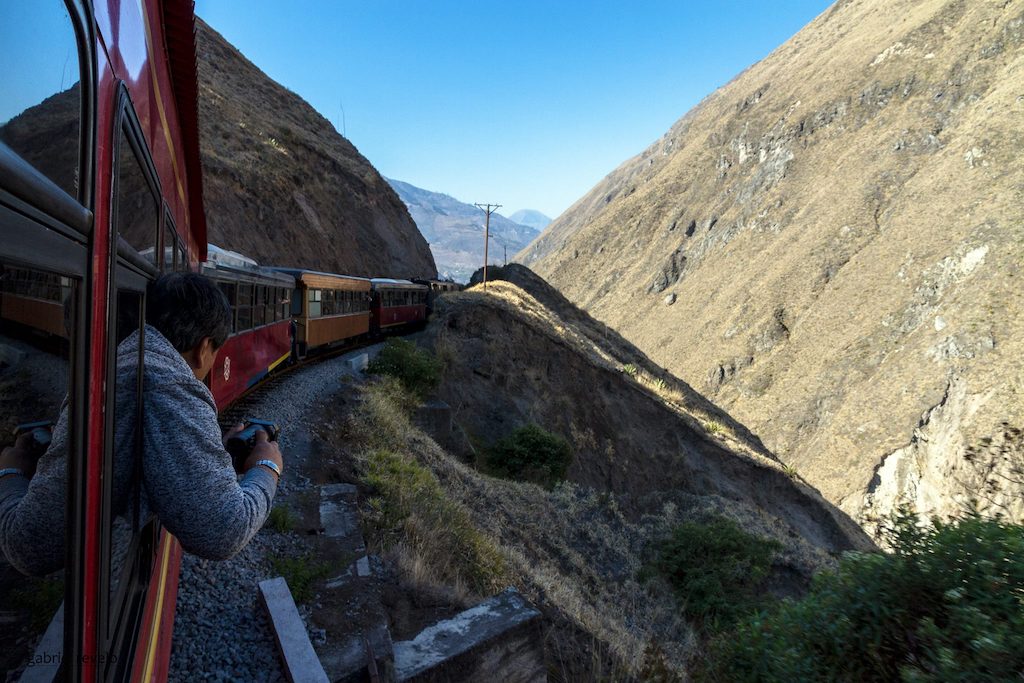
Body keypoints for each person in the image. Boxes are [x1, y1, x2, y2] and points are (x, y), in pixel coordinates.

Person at [0, 272, 284, 576]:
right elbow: (226, 530)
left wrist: (216, 450)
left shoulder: (124, 368)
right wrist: (267, 466)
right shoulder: (170, 384)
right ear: (204, 349)